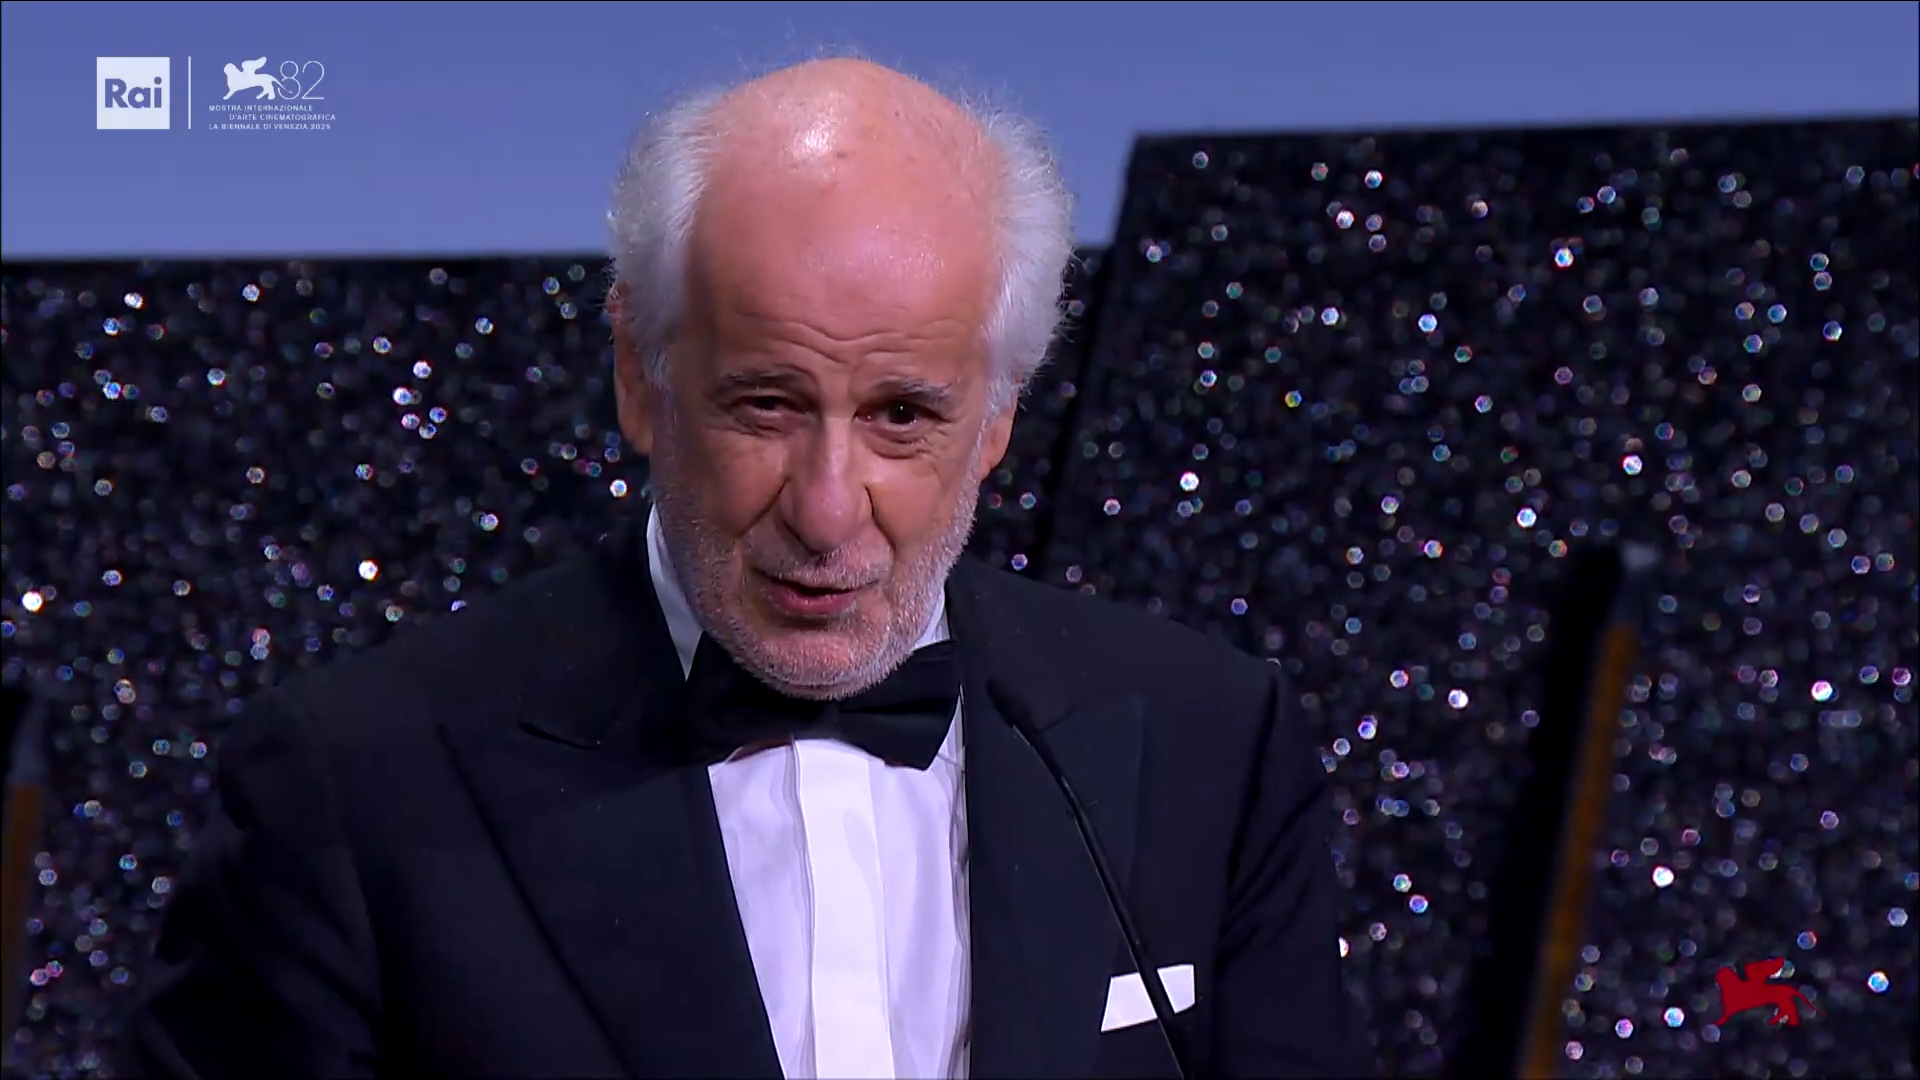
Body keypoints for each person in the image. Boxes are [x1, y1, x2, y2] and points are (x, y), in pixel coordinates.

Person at [125, 59, 1375, 1079]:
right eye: (766, 404)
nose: (827, 512)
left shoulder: (1212, 743)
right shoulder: (355, 785)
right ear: (640, 374)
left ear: (998, 416)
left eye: (902, 415)